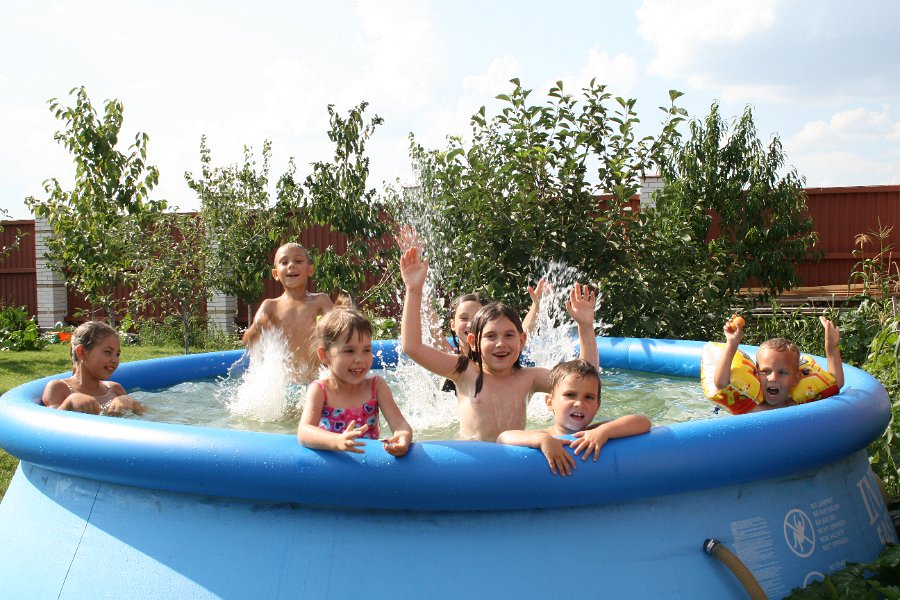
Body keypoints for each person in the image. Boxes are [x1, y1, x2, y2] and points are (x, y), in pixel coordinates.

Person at [400, 246, 599, 442]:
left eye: (509, 335)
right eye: (491, 336)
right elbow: (412, 347)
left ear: (522, 341)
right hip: (471, 458)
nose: (501, 343)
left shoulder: (529, 378)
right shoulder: (465, 371)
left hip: (513, 458)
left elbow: (586, 379)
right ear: (473, 342)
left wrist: (585, 326)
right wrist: (413, 289)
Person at [497, 360, 651, 476]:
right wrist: (543, 441)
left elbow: (643, 421)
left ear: (597, 406)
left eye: (589, 397)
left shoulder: (595, 432)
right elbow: (503, 438)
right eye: (570, 395)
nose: (579, 403)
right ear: (550, 402)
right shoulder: (546, 435)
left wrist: (606, 431)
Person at [297, 306, 413, 456]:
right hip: (333, 464)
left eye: (366, 350)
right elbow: (304, 432)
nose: (359, 359)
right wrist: (337, 441)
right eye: (349, 351)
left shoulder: (376, 386)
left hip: (369, 463)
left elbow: (400, 424)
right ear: (324, 355)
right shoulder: (320, 390)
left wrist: (403, 436)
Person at [710, 315, 844, 412]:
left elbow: (835, 384)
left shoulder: (797, 405)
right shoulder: (752, 408)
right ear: (756, 374)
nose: (773, 378)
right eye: (765, 371)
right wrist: (732, 344)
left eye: (782, 372)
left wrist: (832, 348)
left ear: (795, 379)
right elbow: (721, 383)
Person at [242, 242, 333, 383]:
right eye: (284, 262)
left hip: (316, 380)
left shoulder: (320, 301)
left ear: (310, 270)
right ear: (275, 274)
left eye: (298, 261)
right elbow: (247, 341)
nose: (291, 265)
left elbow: (340, 327)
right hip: (286, 384)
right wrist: (257, 328)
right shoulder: (270, 306)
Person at [41, 321, 146, 416]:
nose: (115, 360)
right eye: (108, 352)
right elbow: (50, 422)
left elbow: (146, 414)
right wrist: (70, 402)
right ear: (82, 352)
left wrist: (129, 401)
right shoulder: (59, 388)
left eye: (117, 354)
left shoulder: (115, 389)